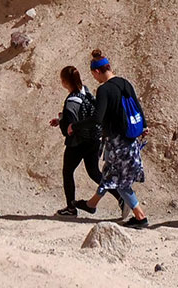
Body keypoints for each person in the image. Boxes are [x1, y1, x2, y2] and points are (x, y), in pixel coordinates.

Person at [75, 49, 148, 228]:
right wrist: (143, 126)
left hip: (117, 142)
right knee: (109, 174)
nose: (95, 79)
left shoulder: (104, 90)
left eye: (94, 75)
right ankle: (91, 204)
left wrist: (75, 126)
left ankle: (141, 217)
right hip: (131, 138)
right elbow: (137, 106)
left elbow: (97, 119)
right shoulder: (125, 82)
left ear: (97, 71)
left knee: (121, 183)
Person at [48, 66, 100, 217]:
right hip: (94, 139)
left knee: (67, 172)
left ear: (64, 82)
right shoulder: (86, 91)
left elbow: (69, 129)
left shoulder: (71, 101)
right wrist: (60, 119)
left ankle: (71, 208)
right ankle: (121, 197)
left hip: (77, 143)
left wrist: (62, 121)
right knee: (95, 172)